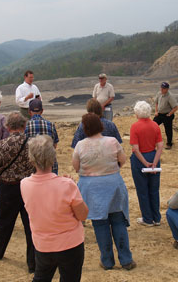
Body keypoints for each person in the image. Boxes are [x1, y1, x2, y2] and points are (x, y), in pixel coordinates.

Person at [73, 113, 136, 271]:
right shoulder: (112, 141)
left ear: (85, 128)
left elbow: (76, 167)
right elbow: (122, 159)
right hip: (113, 185)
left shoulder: (80, 145)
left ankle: (107, 261)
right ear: (100, 126)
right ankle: (126, 260)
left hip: (91, 188)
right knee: (118, 221)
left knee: (100, 224)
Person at [21, 135, 89, 281]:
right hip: (70, 243)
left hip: (43, 244)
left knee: (41, 276)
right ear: (53, 159)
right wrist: (73, 187)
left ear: (31, 160)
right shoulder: (67, 185)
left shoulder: (25, 184)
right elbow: (82, 215)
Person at [0, 112, 35, 273]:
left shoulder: (1, 145)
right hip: (29, 187)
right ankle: (33, 263)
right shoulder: (33, 144)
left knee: (4, 222)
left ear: (7, 127)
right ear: (24, 125)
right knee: (31, 226)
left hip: (8, 187)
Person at [130, 101, 163, 227]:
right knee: (154, 189)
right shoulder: (155, 125)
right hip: (154, 157)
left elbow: (136, 149)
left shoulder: (135, 127)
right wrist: (154, 163)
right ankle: (156, 217)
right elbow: (160, 146)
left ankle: (147, 218)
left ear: (137, 112)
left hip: (140, 160)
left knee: (142, 190)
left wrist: (145, 163)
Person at [24, 99, 59, 174]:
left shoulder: (25, 126)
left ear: (29, 111)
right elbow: (55, 145)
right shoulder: (51, 125)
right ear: (42, 111)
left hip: (31, 164)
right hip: (49, 164)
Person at [153, 82, 178, 150]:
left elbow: (175, 107)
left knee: (168, 129)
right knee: (153, 125)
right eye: (161, 88)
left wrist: (170, 114)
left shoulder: (170, 96)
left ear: (167, 89)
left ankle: (169, 143)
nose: (162, 89)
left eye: (163, 88)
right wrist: (156, 111)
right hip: (159, 114)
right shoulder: (159, 93)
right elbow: (156, 103)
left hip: (167, 114)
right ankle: (152, 140)